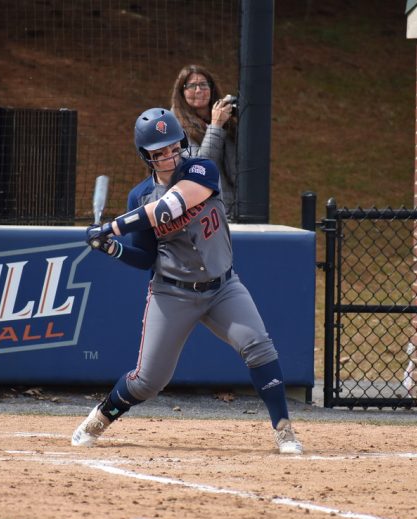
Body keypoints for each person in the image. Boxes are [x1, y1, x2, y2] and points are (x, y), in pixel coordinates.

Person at [72, 108, 302, 454]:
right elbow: (146, 258)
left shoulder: (201, 170)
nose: (168, 157)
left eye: (173, 147)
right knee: (149, 382)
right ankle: (101, 416)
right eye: (158, 152)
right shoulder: (139, 197)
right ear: (145, 156)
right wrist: (111, 248)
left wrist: (111, 227)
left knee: (258, 345)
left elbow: (168, 209)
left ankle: (284, 429)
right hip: (172, 293)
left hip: (223, 287)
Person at [170, 64, 238, 220]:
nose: (199, 90)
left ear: (211, 88)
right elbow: (200, 166)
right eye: (191, 86)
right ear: (182, 92)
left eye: (203, 85)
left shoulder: (226, 120)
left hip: (232, 208)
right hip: (200, 213)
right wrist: (215, 126)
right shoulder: (174, 126)